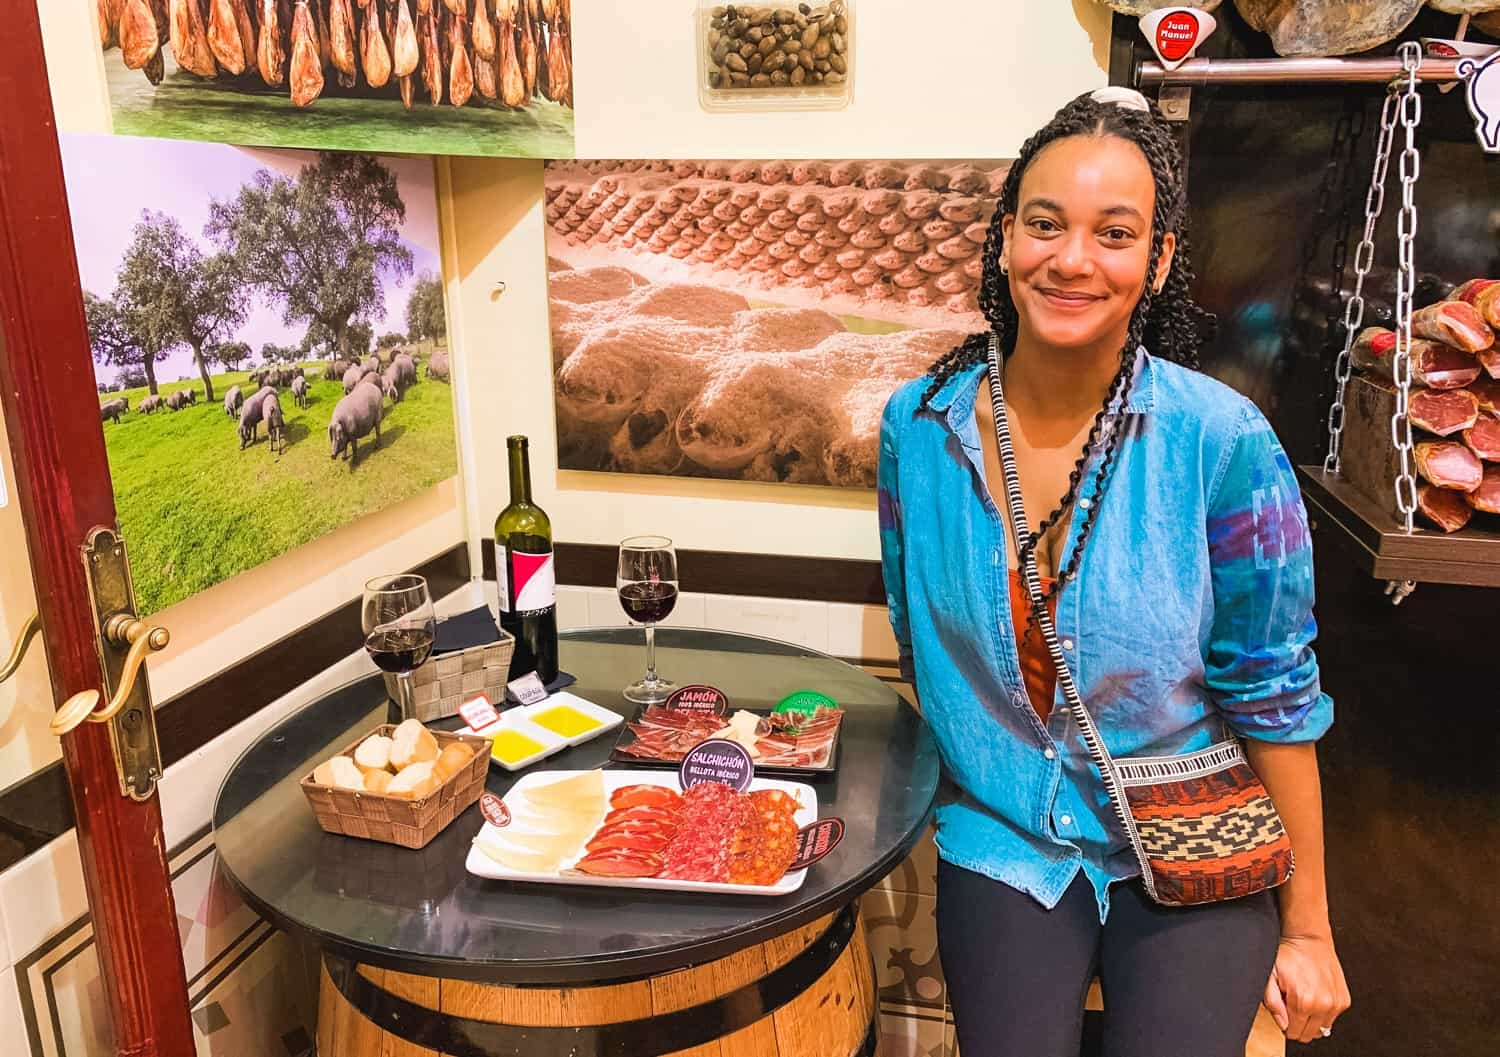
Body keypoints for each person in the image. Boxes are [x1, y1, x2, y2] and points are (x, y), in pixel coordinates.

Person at [877, 88, 1351, 1057]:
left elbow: (1276, 700)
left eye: (1115, 232)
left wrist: (1309, 929)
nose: (1073, 258)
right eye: (1046, 224)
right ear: (1007, 238)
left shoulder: (1222, 442)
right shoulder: (915, 429)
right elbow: (913, 624)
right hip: (1008, 827)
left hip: (1191, 824)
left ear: (1160, 258)